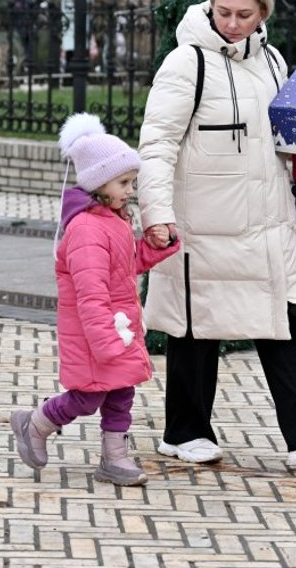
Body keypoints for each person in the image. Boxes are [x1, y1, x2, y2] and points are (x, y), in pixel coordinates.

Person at [136, 0, 296, 468]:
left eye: (244, 14)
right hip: (202, 227)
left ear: (263, 13)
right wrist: (156, 213)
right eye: (224, 13)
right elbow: (156, 145)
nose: (233, 23)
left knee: (284, 320)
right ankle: (184, 431)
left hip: (268, 224)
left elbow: (293, 138)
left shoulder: (275, 62)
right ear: (210, 7)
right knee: (195, 329)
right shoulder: (185, 64)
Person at [11, 113, 180, 486]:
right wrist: (104, 340)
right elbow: (91, 294)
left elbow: (125, 266)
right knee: (87, 398)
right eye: (123, 182)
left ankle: (114, 458)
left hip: (117, 327)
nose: (130, 190)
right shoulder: (87, 229)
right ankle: (35, 424)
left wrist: (153, 248)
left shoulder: (112, 220)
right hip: (97, 334)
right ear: (98, 183)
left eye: (131, 182)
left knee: (121, 393)